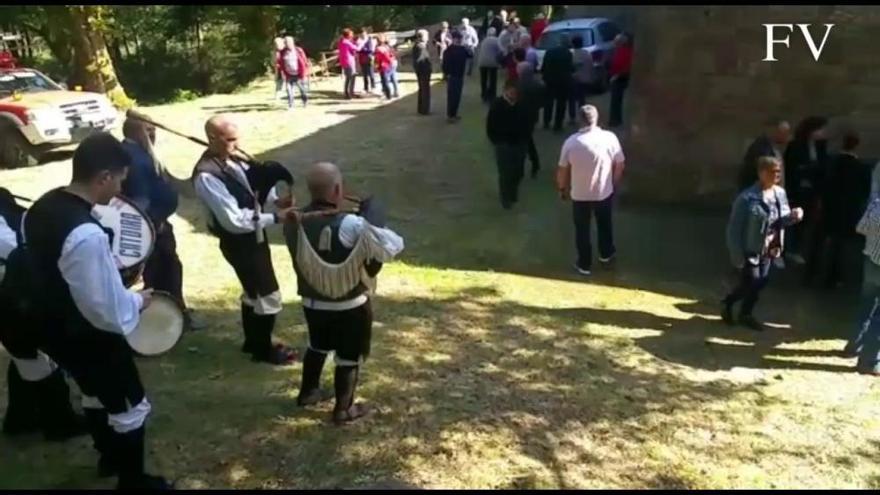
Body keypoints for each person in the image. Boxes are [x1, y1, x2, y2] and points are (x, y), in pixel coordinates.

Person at [24, 133, 171, 489]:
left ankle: (109, 458)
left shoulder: (40, 207)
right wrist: (138, 300)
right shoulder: (86, 235)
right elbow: (105, 309)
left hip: (52, 325)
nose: (120, 188)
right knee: (129, 404)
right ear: (103, 176)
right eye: (119, 178)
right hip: (87, 333)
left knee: (93, 392)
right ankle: (133, 482)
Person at [284, 162, 404, 424]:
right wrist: (372, 220)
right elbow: (392, 247)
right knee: (349, 356)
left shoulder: (293, 222)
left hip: (312, 301)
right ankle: (344, 409)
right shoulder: (352, 224)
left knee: (317, 345)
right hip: (350, 305)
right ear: (338, 189)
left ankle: (308, 392)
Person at [192, 115, 299, 365]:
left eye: (238, 138)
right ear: (212, 139)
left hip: (254, 237)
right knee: (268, 296)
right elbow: (235, 221)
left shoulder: (234, 157)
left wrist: (275, 200)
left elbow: (253, 184)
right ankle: (263, 350)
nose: (237, 144)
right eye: (230, 140)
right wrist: (276, 217)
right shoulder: (207, 177)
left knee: (253, 293)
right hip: (239, 243)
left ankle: (252, 343)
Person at [0, 188, 87, 442]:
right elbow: (14, 248)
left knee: (26, 355)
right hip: (12, 294)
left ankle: (21, 418)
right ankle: (58, 422)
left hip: (16, 290)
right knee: (35, 356)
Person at [120, 117, 204, 332]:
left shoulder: (141, 153)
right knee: (161, 272)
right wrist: (152, 224)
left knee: (169, 268)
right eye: (148, 130)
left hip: (157, 223)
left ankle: (174, 311)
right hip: (151, 226)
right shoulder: (135, 158)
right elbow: (139, 200)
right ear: (134, 132)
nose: (153, 135)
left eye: (154, 130)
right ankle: (166, 317)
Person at [723, 156, 804, 331]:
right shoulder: (746, 198)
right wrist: (737, 255)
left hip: (770, 248)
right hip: (751, 247)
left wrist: (793, 217)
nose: (777, 176)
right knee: (752, 280)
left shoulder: (779, 193)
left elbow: (782, 220)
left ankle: (746, 314)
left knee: (761, 282)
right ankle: (729, 302)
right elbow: (734, 229)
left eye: (778, 172)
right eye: (772, 172)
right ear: (761, 173)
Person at [557, 105, 626, 275]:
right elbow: (620, 164)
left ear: (581, 120)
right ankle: (606, 254)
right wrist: (613, 183)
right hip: (603, 192)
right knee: (604, 224)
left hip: (580, 194)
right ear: (596, 118)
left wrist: (562, 188)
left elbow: (562, 170)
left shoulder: (571, 143)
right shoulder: (610, 138)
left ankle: (584, 263)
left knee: (582, 229)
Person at [817, 131, 871, 289]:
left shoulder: (832, 164)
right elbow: (865, 191)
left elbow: (824, 186)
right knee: (846, 245)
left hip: (831, 209)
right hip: (850, 210)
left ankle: (827, 277)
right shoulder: (861, 168)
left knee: (831, 242)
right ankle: (841, 277)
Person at [843, 162, 880, 375]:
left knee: (866, 305)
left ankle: (853, 345)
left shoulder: (876, 205)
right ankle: (869, 361)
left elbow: (861, 228)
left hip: (871, 260)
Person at [785, 116, 829, 269]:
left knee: (807, 220)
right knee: (795, 219)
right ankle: (789, 248)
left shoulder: (820, 146)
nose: (823, 133)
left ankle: (797, 247)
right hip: (799, 189)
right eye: (821, 129)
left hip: (813, 189)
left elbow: (822, 166)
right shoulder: (796, 145)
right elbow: (791, 167)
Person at [487, 80, 530, 209]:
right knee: (505, 172)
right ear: (505, 91)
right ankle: (506, 198)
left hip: (519, 143)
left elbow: (527, 122)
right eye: (511, 92)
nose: (514, 95)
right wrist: (497, 141)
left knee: (518, 171)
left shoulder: (521, 104)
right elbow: (490, 126)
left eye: (516, 93)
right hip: (503, 144)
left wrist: (525, 139)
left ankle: (513, 192)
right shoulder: (497, 105)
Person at [739, 118, 791, 192]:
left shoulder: (774, 148)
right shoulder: (761, 148)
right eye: (784, 133)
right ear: (776, 132)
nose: (787, 136)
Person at [517, 62, 546, 178]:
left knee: (522, 142)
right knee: (527, 139)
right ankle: (534, 163)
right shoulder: (538, 85)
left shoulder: (517, 85)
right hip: (532, 116)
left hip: (519, 116)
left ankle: (524, 165)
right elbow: (543, 102)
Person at [541, 34, 574, 132]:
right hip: (563, 81)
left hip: (550, 80)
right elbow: (570, 68)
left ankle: (546, 121)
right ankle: (558, 124)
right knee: (561, 103)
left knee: (548, 102)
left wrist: (544, 76)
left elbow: (544, 66)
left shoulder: (549, 52)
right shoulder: (568, 53)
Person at [442, 31, 471, 123]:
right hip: (458, 75)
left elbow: (444, 64)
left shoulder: (448, 50)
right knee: (456, 96)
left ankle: (451, 114)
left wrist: (446, 74)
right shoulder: (462, 49)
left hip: (452, 75)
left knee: (452, 96)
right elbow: (471, 55)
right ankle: (452, 115)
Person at [608, 33, 633, 128]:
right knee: (615, 100)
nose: (614, 44)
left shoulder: (625, 52)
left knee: (616, 99)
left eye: (616, 42)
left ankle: (615, 120)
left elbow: (627, 66)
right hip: (616, 77)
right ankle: (615, 120)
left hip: (620, 78)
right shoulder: (619, 51)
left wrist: (617, 76)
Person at [568, 36, 594, 126]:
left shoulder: (571, 54)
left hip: (574, 79)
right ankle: (582, 117)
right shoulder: (587, 53)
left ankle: (572, 118)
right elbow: (590, 65)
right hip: (584, 79)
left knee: (571, 99)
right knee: (582, 99)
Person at [278, 36, 309, 110]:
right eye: (286, 43)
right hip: (289, 74)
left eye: (289, 42)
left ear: (292, 42)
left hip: (299, 74)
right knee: (289, 90)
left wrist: (304, 73)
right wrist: (282, 72)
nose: (288, 44)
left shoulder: (298, 50)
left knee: (302, 90)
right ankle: (291, 105)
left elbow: (304, 61)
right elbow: (281, 63)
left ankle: (305, 101)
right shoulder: (283, 52)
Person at [477, 27, 502, 103]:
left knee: (483, 79)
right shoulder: (496, 40)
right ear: (495, 33)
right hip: (492, 63)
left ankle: (484, 95)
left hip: (482, 62)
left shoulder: (483, 40)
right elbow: (501, 50)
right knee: (492, 80)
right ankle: (492, 96)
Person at [413, 29, 433, 116]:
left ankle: (421, 108)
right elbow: (420, 61)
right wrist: (427, 69)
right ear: (422, 37)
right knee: (425, 90)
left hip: (421, 72)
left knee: (422, 90)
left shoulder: (419, 45)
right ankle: (425, 109)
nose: (428, 38)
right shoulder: (420, 47)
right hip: (423, 72)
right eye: (426, 36)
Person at [375, 34, 399, 100]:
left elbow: (379, 58)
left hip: (385, 66)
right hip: (390, 64)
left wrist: (377, 65)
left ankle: (388, 95)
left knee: (385, 81)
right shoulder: (387, 46)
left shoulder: (379, 48)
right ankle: (394, 92)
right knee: (392, 78)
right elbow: (392, 54)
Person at [337, 29, 359, 100]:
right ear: (348, 35)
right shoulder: (346, 42)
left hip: (345, 61)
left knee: (349, 78)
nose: (352, 35)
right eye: (351, 34)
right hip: (349, 62)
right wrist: (361, 42)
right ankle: (348, 93)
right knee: (350, 77)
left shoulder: (341, 42)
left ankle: (349, 92)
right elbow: (357, 48)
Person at [357, 28, 378, 95]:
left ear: (366, 33)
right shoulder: (359, 40)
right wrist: (362, 49)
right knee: (364, 74)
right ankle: (366, 88)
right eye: (361, 34)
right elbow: (358, 50)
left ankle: (373, 87)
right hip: (362, 59)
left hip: (369, 58)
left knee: (371, 73)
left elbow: (371, 50)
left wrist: (363, 49)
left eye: (363, 33)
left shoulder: (369, 39)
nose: (362, 35)